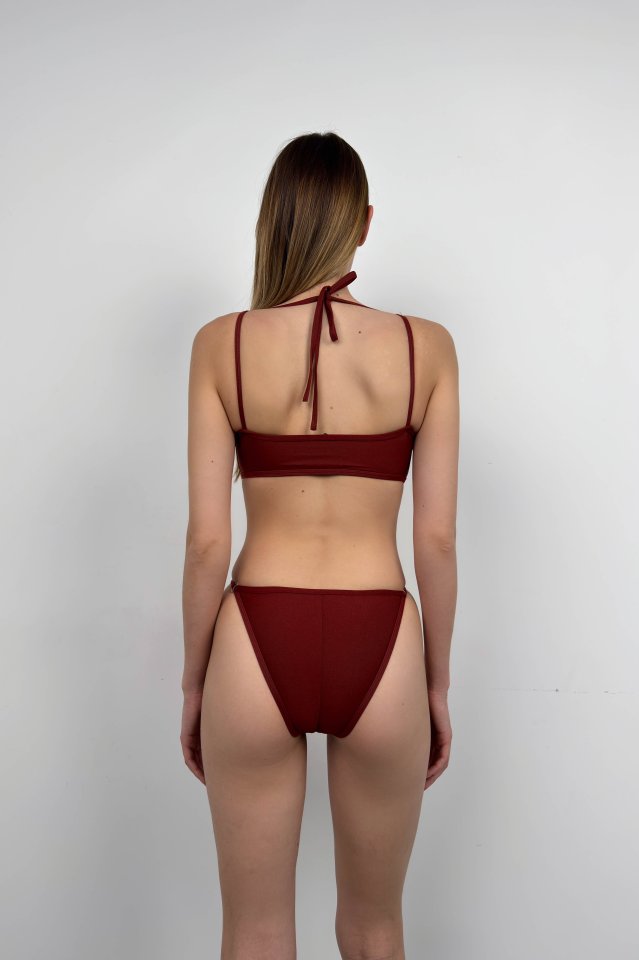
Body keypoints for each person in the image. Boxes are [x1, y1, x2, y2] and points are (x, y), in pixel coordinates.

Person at [180, 131, 459, 960]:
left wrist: (194, 683)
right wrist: (436, 683)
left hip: (254, 640)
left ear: (274, 218)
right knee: (375, 929)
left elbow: (206, 542)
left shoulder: (222, 343)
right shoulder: (426, 347)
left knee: (255, 932)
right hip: (382, 639)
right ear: (362, 222)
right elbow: (436, 539)